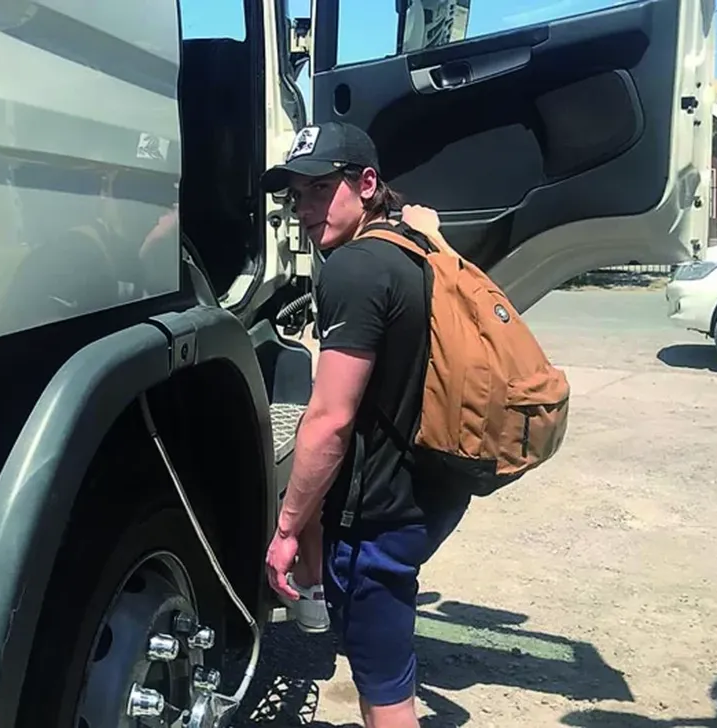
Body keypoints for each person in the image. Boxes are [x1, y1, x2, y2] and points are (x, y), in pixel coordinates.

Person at [262, 121, 472, 728]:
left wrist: (287, 530)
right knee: (390, 660)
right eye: (295, 194)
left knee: (383, 687)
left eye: (321, 189)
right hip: (432, 490)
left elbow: (328, 422)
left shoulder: (352, 271)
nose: (304, 208)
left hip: (377, 517)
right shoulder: (416, 248)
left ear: (367, 183)